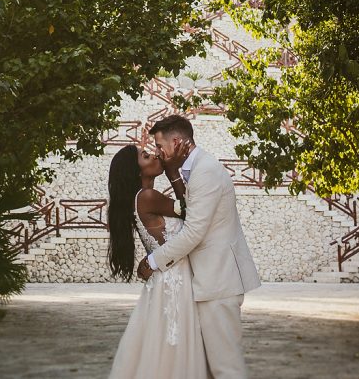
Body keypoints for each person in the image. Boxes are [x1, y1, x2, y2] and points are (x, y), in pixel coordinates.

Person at [138, 115, 261, 379]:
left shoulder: (205, 172)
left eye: (160, 146)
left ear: (177, 141)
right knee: (209, 369)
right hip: (208, 282)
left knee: (225, 368)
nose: (158, 153)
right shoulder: (193, 170)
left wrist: (153, 261)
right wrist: (172, 172)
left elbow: (194, 231)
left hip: (219, 282)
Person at [107, 142, 208, 378]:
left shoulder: (142, 197)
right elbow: (190, 209)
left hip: (167, 278)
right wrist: (174, 172)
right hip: (175, 280)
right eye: (145, 156)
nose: (153, 155)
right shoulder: (147, 196)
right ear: (138, 171)